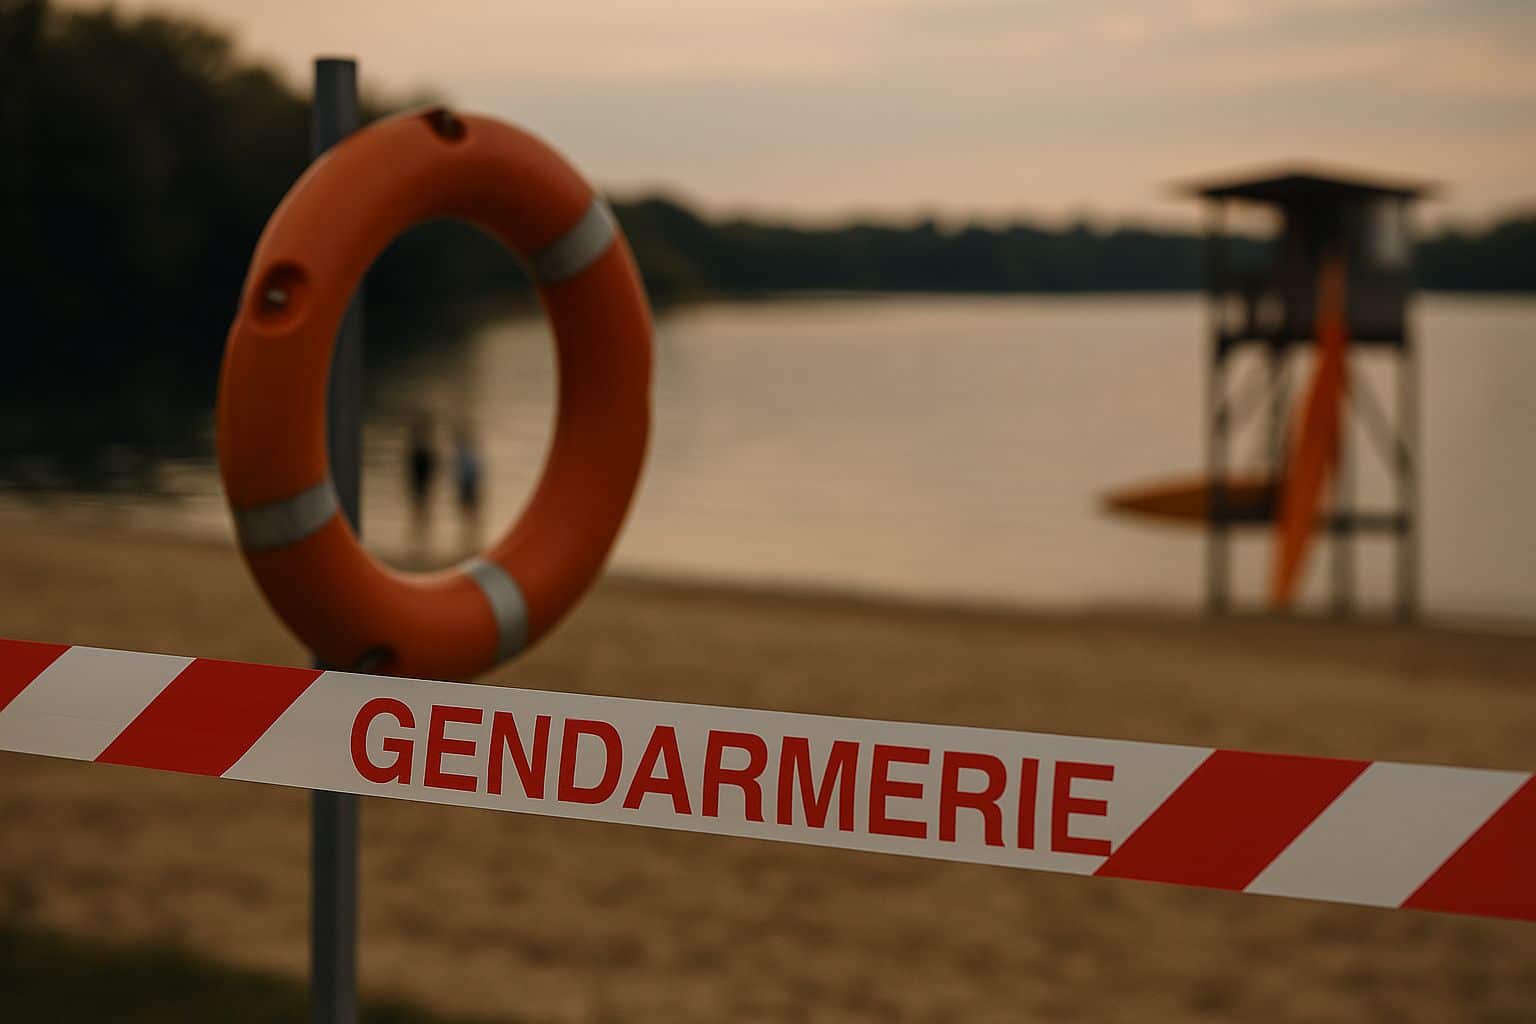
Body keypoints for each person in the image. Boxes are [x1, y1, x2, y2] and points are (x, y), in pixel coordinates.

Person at [406, 415, 438, 555]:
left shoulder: (419, 451)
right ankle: (421, 542)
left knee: (421, 512)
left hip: (421, 484)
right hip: (420, 484)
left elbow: (432, 469)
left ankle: (421, 542)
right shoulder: (419, 451)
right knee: (420, 512)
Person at [453, 423, 484, 551]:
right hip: (467, 486)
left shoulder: (466, 454)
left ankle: (470, 540)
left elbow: (471, 472)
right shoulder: (467, 454)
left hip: (468, 486)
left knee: (468, 513)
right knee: (469, 513)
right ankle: (470, 540)